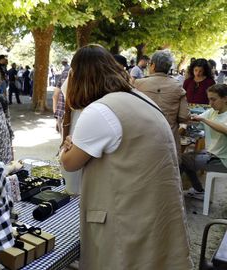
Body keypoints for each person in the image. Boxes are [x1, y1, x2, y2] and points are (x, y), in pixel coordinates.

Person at [59, 44, 192, 269]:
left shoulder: (100, 110)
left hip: (128, 222)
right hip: (155, 216)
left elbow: (70, 164)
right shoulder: (140, 98)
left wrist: (65, 148)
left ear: (78, 77)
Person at [134, 49, 190, 155]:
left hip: (142, 137)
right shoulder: (177, 86)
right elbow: (184, 116)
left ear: (153, 65)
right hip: (168, 138)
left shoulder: (138, 84)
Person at [182, 84, 227, 200]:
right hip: (212, 154)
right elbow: (197, 120)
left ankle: (172, 193)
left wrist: (203, 119)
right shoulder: (212, 111)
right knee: (184, 158)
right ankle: (198, 190)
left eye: (214, 99)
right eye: (209, 99)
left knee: (181, 160)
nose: (210, 103)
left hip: (222, 161)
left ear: (225, 98)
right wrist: (185, 119)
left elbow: (224, 129)